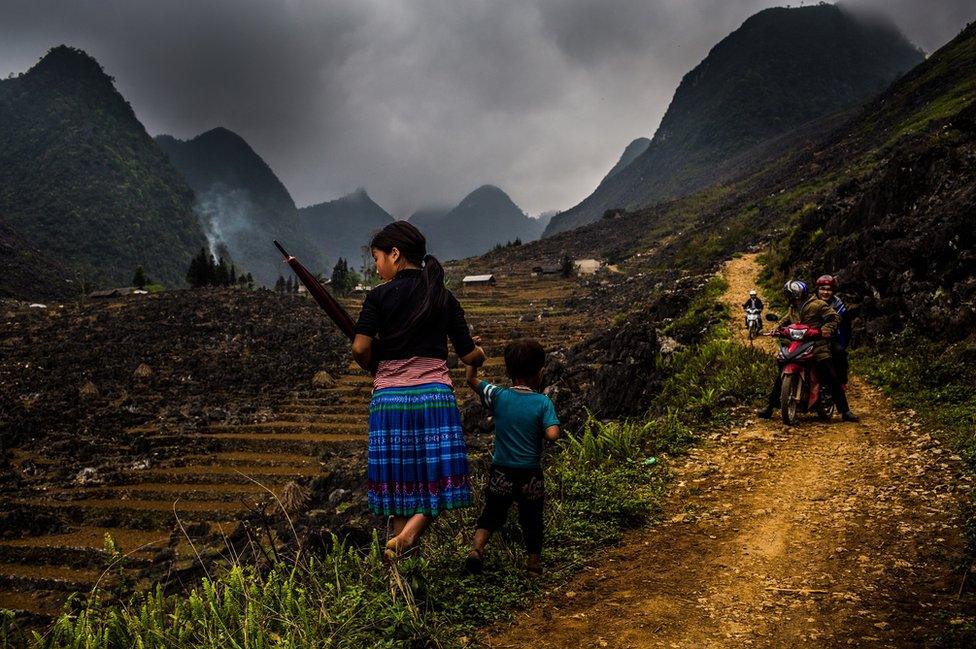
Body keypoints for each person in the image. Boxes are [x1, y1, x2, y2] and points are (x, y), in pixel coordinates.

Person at [351, 221, 486, 560]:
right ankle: (411, 537)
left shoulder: (378, 297)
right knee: (443, 477)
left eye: (378, 258)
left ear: (395, 254)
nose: (377, 266)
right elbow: (468, 353)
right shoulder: (443, 296)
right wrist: (480, 355)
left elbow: (360, 348)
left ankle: (405, 569)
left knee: (399, 487)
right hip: (433, 398)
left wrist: (376, 364)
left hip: (390, 401)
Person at [464, 338, 560, 576]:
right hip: (530, 473)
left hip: (501, 471)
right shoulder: (542, 402)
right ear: (539, 372)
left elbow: (471, 380)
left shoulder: (498, 396)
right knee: (532, 518)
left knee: (492, 513)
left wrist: (473, 356)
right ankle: (533, 565)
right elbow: (553, 434)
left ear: (508, 371)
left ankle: (476, 549)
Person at [757, 280, 859, 422]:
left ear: (799, 294)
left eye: (792, 294)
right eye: (789, 295)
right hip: (798, 344)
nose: (791, 297)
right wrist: (777, 329)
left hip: (818, 345)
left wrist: (825, 330)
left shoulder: (817, 305)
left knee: (830, 375)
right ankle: (770, 407)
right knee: (781, 373)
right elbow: (786, 321)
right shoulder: (793, 307)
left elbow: (834, 318)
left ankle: (845, 411)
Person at [815, 274, 851, 386]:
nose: (825, 292)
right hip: (810, 337)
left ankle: (841, 383)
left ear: (833, 291)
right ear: (817, 289)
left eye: (829, 290)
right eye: (822, 289)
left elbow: (846, 327)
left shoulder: (838, 306)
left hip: (831, 338)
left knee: (840, 353)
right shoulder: (810, 303)